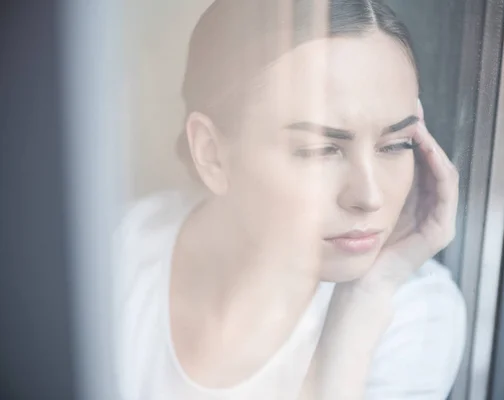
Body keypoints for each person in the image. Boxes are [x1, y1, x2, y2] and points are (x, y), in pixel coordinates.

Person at [114, 0, 466, 399]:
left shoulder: (415, 314)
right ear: (212, 153)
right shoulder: (110, 259)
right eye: (320, 150)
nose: (368, 197)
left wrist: (360, 306)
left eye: (396, 144)